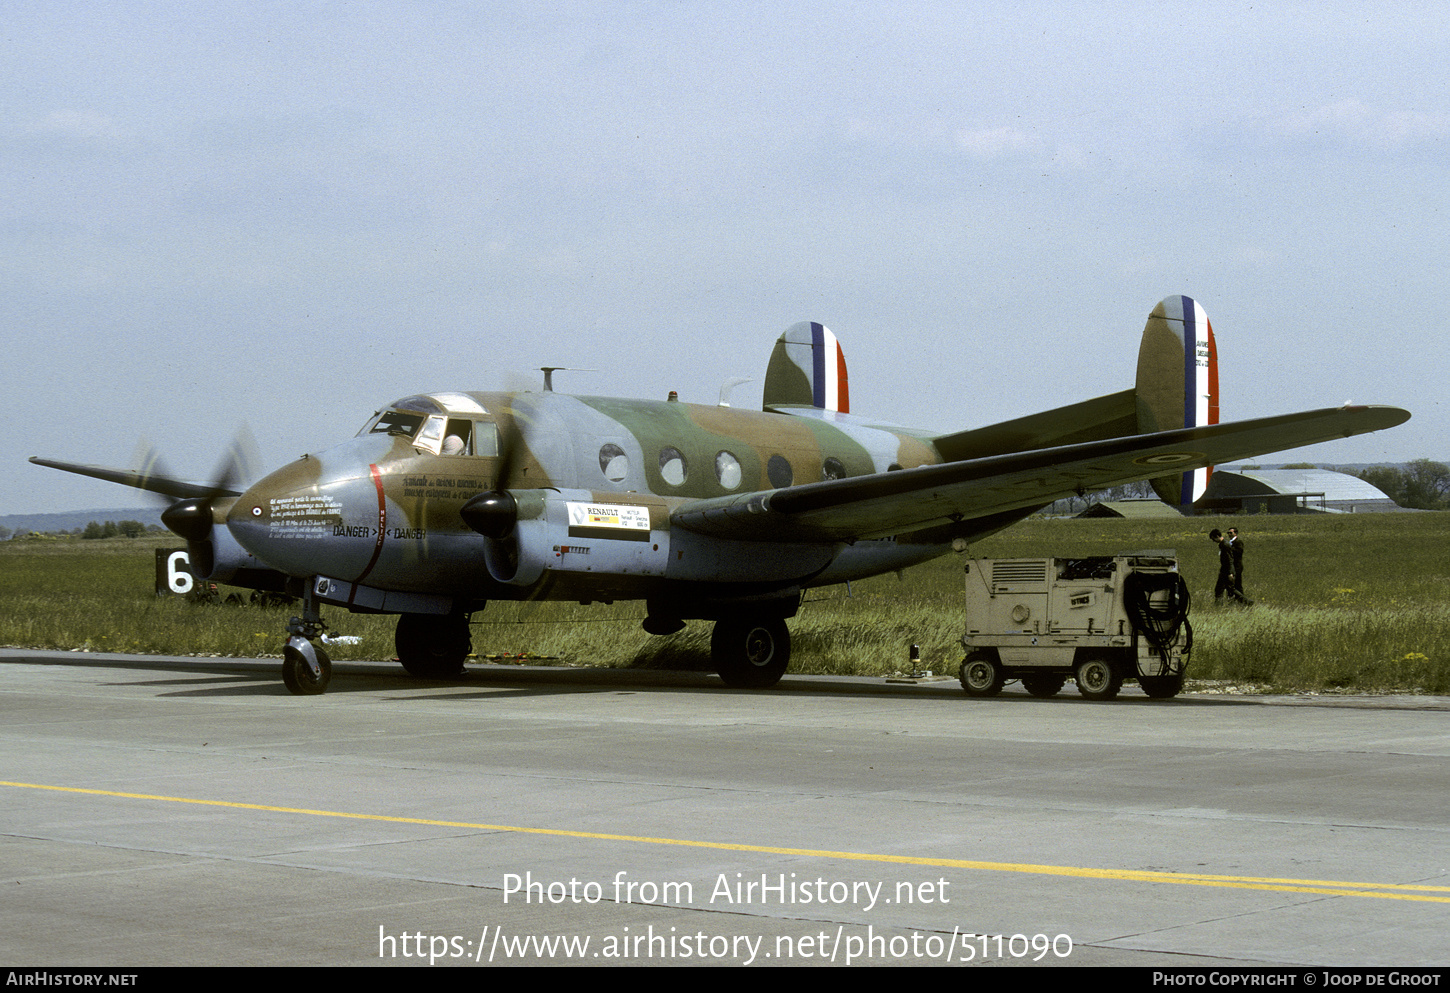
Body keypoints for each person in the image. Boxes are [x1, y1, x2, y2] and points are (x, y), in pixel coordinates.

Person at [1208, 528, 1251, 604]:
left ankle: (1247, 602)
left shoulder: (1225, 545)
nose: (1213, 541)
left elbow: (1229, 560)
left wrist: (1230, 573)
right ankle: (1246, 602)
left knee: (1227, 589)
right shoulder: (1223, 544)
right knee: (1224, 589)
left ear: (1217, 536)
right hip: (1225, 570)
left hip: (1226, 571)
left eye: (1213, 539)